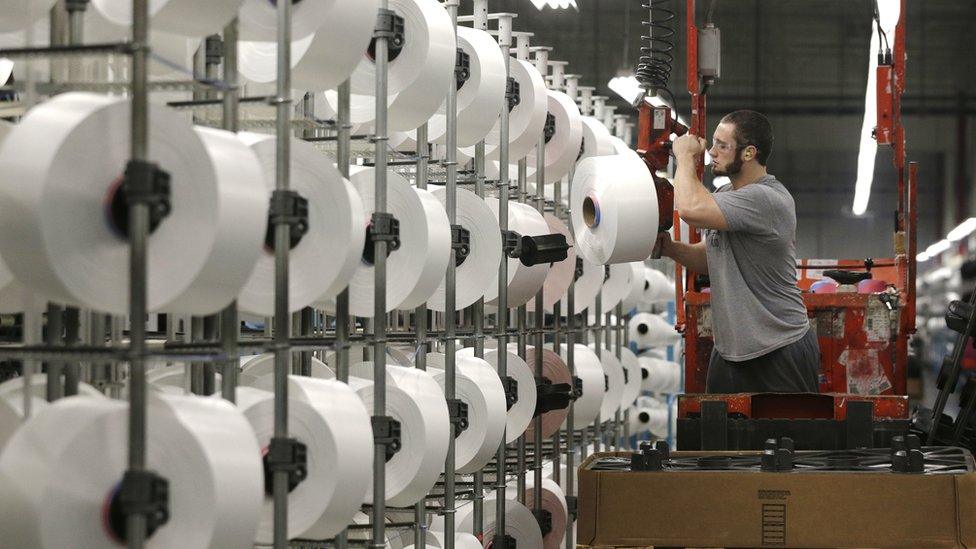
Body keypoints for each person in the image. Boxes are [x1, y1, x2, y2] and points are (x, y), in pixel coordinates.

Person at [656, 110, 820, 393]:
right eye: (714, 143)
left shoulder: (766, 198)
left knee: (786, 436)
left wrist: (684, 156)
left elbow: (690, 210)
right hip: (731, 351)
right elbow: (712, 257)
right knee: (718, 435)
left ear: (749, 153)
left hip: (779, 347)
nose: (712, 152)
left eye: (722, 145)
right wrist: (671, 249)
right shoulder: (724, 196)